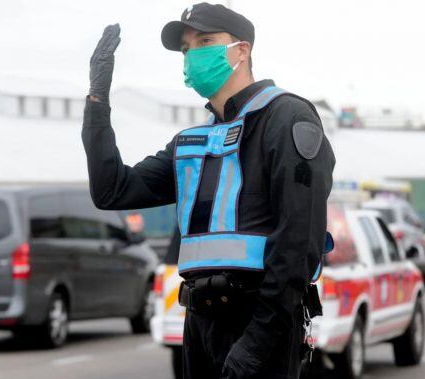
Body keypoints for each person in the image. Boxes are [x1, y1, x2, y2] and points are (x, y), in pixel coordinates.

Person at [81, 3, 335, 378]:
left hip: (259, 325)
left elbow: (298, 243)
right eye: (186, 49)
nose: (193, 55)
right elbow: (112, 191)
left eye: (205, 41)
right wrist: (97, 101)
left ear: (241, 50)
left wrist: (257, 344)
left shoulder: (286, 118)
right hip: (199, 323)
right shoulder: (194, 141)